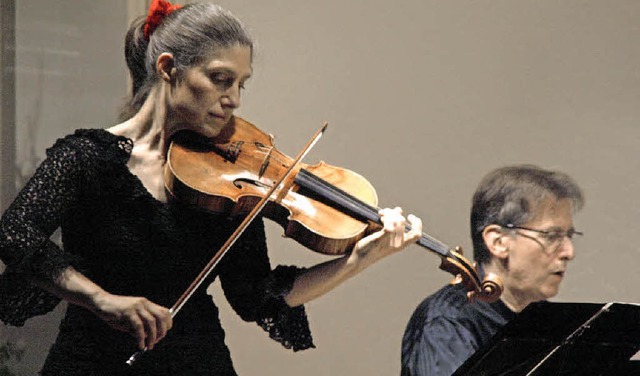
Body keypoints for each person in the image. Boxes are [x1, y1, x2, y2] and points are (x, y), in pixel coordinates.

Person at [0, 1, 423, 375]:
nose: (234, 99)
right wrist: (102, 300)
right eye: (221, 79)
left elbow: (256, 296)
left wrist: (362, 258)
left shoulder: (230, 184)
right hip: (90, 362)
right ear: (168, 68)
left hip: (198, 362)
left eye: (242, 83)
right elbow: (15, 233)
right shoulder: (87, 157)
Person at [400, 165, 584, 376]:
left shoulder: (549, 324)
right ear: (498, 242)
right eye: (552, 235)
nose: (569, 252)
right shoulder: (447, 322)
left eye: (569, 236)